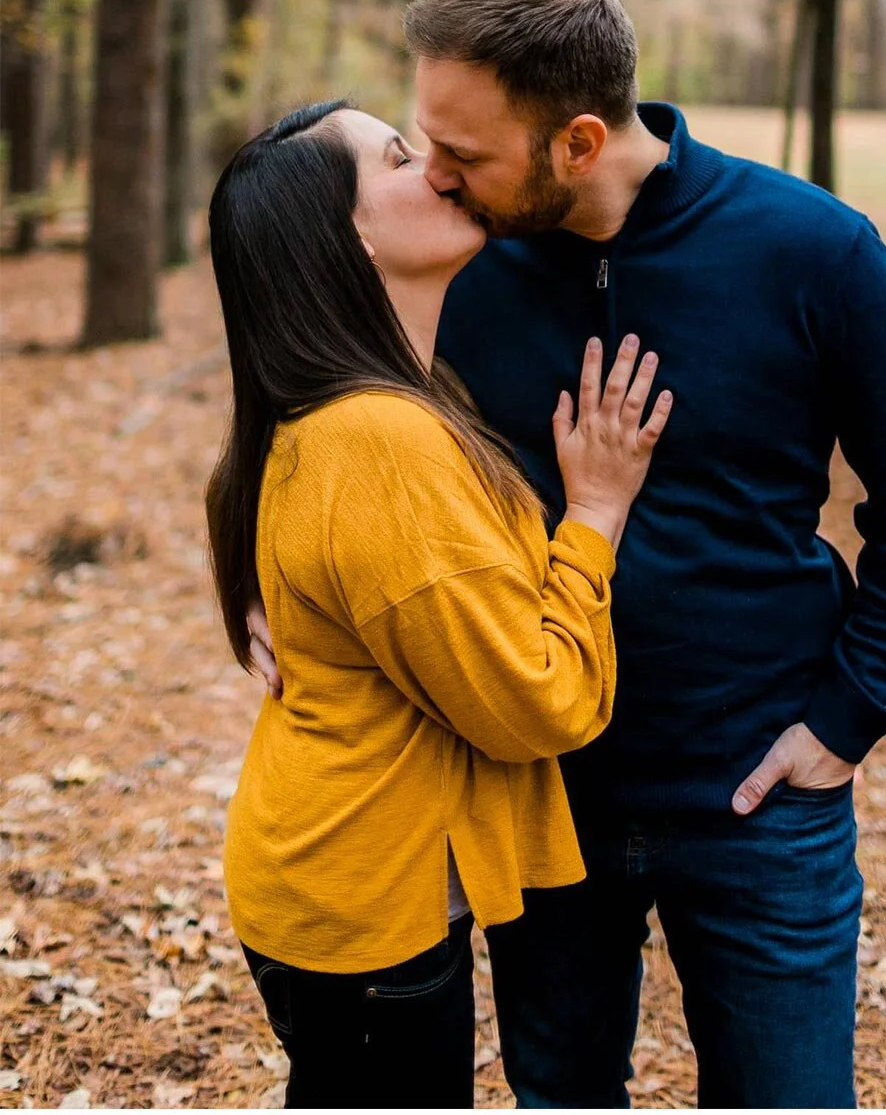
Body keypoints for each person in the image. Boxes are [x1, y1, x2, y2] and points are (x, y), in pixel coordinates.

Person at [252, 0, 886, 1107]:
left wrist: (848, 715)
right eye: (425, 142)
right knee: (562, 1091)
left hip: (757, 791)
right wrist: (263, 587)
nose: (436, 177)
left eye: (466, 154)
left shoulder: (813, 248)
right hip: (536, 790)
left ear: (577, 142)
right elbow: (316, 408)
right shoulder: (455, 263)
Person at [210, 100, 671, 1108]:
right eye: (401, 158)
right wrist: (593, 513)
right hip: (363, 903)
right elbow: (539, 703)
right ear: (347, 235)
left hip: (340, 880)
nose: (445, 169)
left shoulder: (382, 398)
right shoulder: (381, 439)